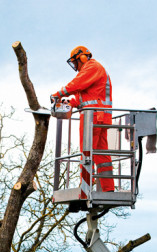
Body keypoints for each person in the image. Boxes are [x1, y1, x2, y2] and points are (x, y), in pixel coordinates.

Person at [52, 46, 114, 192]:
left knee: (86, 151)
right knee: (100, 154)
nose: (75, 66)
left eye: (75, 62)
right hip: (100, 117)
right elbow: (82, 98)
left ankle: (85, 187)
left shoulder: (92, 67)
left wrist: (58, 94)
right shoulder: (91, 73)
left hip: (92, 117)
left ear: (82, 57)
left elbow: (77, 84)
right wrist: (69, 103)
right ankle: (108, 188)